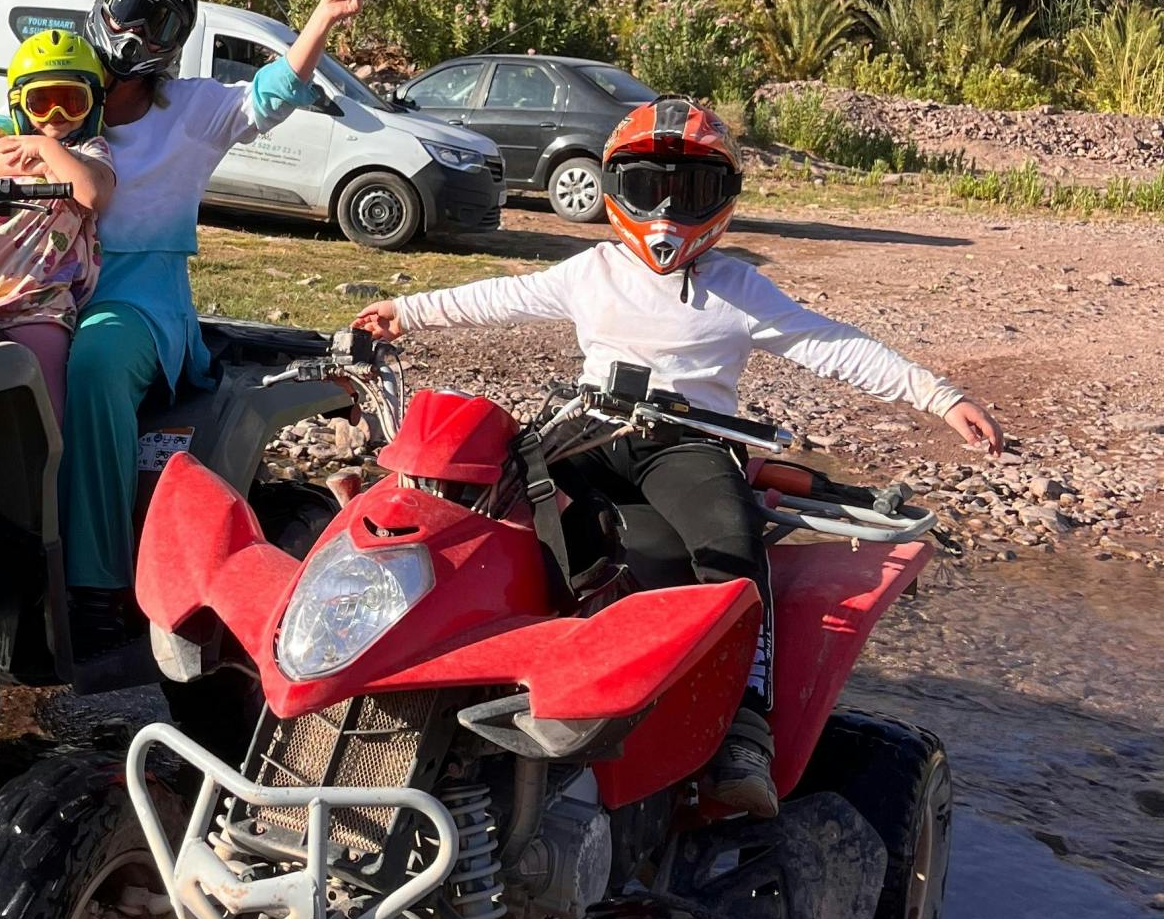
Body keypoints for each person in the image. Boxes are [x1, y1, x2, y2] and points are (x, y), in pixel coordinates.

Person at [354, 97, 1001, 819]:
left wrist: (939, 396)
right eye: (647, 186)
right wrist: (406, 311)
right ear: (615, 188)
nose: (665, 207)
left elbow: (835, 345)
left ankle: (744, 733)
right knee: (483, 509)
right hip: (584, 432)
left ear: (722, 201)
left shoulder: (738, 287)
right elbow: (500, 296)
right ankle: (458, 671)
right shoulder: (592, 270)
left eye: (689, 190)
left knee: (731, 550)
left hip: (688, 441)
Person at [61, 0, 365, 656]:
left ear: (174, 43)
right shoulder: (59, 85)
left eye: (158, 22)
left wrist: (322, 14)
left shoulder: (192, 111)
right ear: (102, 6)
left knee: (97, 364)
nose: (134, 33)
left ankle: (95, 585)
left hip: (137, 297)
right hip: (47, 277)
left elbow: (273, 94)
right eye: (127, 9)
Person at [0, 28, 116, 428]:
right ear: (21, 105)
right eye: (43, 103)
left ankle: (48, 479)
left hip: (40, 305)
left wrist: (45, 149)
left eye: (71, 102)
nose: (56, 118)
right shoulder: (5, 144)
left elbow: (92, 193)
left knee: (43, 408)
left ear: (93, 105)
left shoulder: (92, 152)